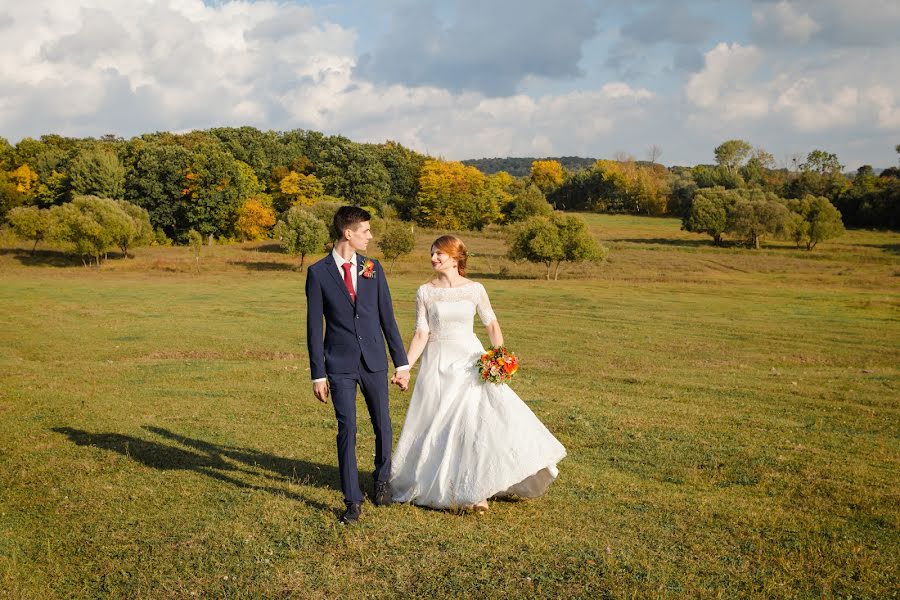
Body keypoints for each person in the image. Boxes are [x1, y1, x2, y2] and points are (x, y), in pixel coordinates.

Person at [389, 235, 566, 511]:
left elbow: (492, 325)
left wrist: (500, 357)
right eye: (432, 253)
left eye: (439, 254)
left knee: (473, 424)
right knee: (440, 425)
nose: (433, 258)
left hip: (469, 361)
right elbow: (421, 333)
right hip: (438, 363)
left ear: (456, 258)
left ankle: (477, 490)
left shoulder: (475, 289)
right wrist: (406, 367)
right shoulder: (425, 291)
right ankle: (442, 484)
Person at [305, 206, 410, 524]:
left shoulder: (373, 268)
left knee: (383, 424)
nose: (370, 235)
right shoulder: (318, 272)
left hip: (375, 360)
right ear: (347, 233)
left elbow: (387, 319)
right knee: (347, 428)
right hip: (339, 363)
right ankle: (352, 500)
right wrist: (317, 374)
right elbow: (313, 327)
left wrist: (401, 364)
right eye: (365, 230)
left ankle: (381, 481)